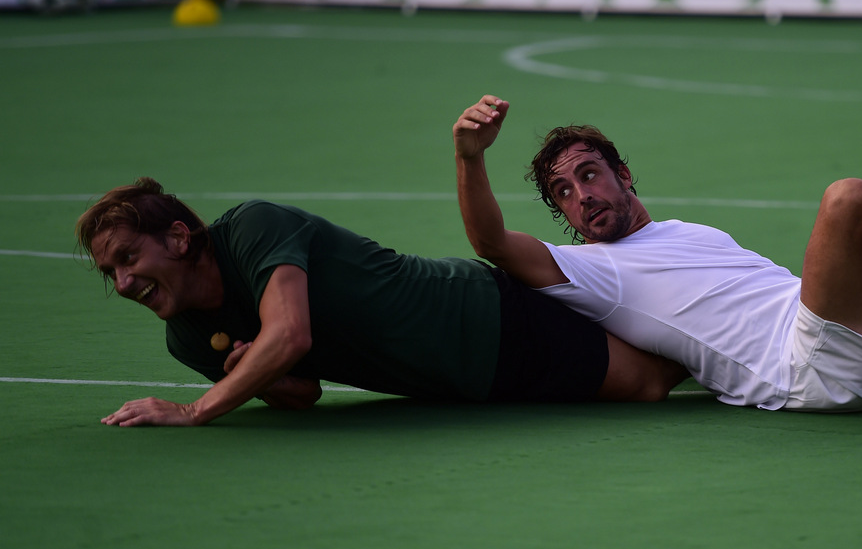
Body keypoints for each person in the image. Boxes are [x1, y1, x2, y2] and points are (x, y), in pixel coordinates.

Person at [453, 95, 862, 415]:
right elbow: (490, 243)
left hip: (861, 328)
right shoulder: (591, 270)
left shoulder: (683, 231)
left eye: (589, 175)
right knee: (848, 202)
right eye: (563, 193)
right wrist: (470, 156)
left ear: (624, 174)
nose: (581, 197)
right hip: (815, 370)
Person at [75, 178, 687, 427]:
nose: (124, 284)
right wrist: (254, 376)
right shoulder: (185, 335)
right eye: (111, 273)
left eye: (129, 259)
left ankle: (702, 287)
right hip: (460, 382)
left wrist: (195, 410)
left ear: (179, 238)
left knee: (652, 380)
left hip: (479, 319)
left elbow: (289, 335)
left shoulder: (252, 229)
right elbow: (302, 390)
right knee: (641, 356)